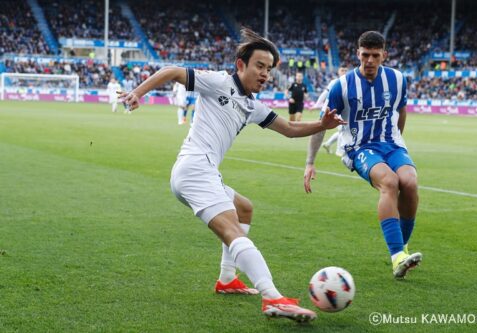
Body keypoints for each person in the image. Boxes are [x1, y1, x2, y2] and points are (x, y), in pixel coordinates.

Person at [120, 28, 346, 322]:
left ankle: (227, 280)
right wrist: (138, 92)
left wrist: (322, 125)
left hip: (200, 171)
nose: (265, 74)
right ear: (241, 65)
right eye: (259, 66)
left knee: (244, 209)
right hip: (195, 169)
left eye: (269, 69)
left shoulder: (252, 105)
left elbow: (290, 130)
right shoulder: (218, 82)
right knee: (233, 231)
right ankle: (273, 297)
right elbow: (172, 71)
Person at [304, 31, 422, 279]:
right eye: (365, 55)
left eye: (375, 55)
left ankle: (401, 251)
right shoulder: (342, 86)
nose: (369, 60)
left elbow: (401, 110)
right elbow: (322, 123)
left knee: (410, 183)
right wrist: (310, 162)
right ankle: (397, 256)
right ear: (358, 54)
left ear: (384, 55)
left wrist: (398, 138)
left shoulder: (398, 79)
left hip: (391, 144)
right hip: (359, 148)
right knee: (389, 182)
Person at [315, 66, 348, 155]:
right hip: (331, 110)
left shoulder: (349, 83)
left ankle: (328, 144)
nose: (344, 72)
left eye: (345, 70)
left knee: (342, 129)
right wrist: (317, 104)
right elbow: (325, 94)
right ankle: (339, 151)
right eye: (342, 70)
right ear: (338, 72)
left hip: (342, 110)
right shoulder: (334, 82)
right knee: (342, 129)